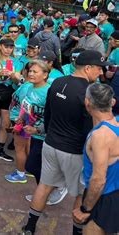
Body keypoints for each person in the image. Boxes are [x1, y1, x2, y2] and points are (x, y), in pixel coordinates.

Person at [22, 50, 108, 235]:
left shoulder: (58, 81)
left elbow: (48, 115)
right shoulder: (89, 91)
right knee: (80, 194)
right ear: (88, 68)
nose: (101, 73)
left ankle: (29, 228)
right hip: (74, 151)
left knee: (44, 186)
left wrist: (47, 133)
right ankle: (76, 233)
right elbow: (90, 127)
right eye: (99, 69)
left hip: (51, 144)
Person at [73, 83, 119, 235]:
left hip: (104, 197)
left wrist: (85, 208)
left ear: (87, 102)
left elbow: (99, 179)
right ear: (112, 102)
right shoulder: (116, 125)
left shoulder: (100, 136)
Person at [5, 60, 50, 184]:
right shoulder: (29, 87)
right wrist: (19, 121)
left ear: (45, 75)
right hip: (27, 127)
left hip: (40, 133)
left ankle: (21, 174)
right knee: (32, 161)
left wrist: (37, 129)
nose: (31, 74)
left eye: (35, 72)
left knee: (21, 149)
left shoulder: (48, 92)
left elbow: (51, 115)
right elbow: (25, 108)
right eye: (30, 71)